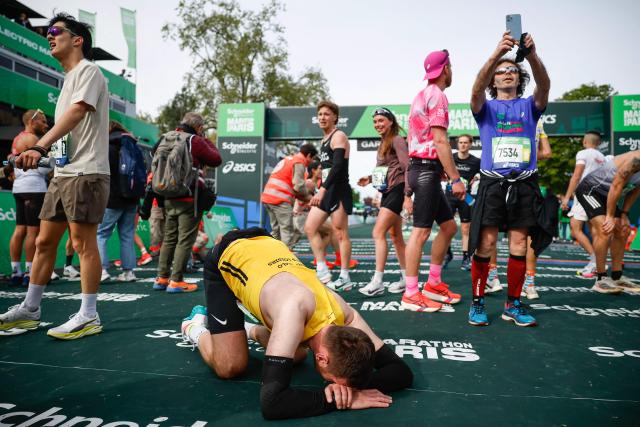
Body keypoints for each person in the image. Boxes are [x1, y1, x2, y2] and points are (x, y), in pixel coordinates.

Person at [181, 228, 413, 420]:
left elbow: (401, 373)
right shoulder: (294, 309)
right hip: (229, 255)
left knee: (298, 355)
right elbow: (272, 403)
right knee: (230, 366)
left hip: (269, 249)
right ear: (322, 359)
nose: (338, 388)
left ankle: (249, 330)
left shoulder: (344, 315)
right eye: (333, 381)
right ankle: (194, 326)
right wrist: (342, 400)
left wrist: (353, 389)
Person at [0, 14, 110, 339]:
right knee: (44, 241)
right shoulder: (66, 83)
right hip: (64, 176)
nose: (49, 36)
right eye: (47, 32)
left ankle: (89, 315)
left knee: (81, 243)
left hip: (87, 173)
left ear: (77, 40)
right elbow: (67, 130)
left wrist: (40, 146)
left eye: (55, 31)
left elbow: (78, 113)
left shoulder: (89, 71)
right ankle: (30, 310)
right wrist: (48, 159)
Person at [467, 31, 552, 327]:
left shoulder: (530, 105)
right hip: (492, 183)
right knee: (486, 244)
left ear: (519, 78)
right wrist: (495, 55)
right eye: (501, 72)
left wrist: (531, 55)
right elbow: (475, 90)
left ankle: (513, 304)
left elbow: (545, 85)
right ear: (493, 79)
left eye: (512, 70)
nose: (506, 74)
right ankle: (477, 303)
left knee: (518, 244)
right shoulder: (485, 109)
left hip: (524, 183)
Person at [401, 50, 465, 312]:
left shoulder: (419, 96)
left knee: (449, 227)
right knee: (421, 233)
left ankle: (433, 283)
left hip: (423, 170)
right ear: (446, 69)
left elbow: (412, 141)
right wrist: (456, 178)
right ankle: (411, 293)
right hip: (426, 171)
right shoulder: (438, 96)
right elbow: (440, 141)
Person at [152, 112, 221, 293]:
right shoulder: (194, 141)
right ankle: (176, 281)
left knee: (169, 238)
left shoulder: (166, 137)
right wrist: (204, 139)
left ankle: (161, 278)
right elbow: (216, 159)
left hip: (167, 193)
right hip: (190, 196)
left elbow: (154, 154)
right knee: (185, 240)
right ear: (198, 128)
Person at [357, 108, 408, 296]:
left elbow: (406, 167)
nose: (378, 124)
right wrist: (370, 178)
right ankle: (406, 279)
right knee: (396, 237)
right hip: (388, 190)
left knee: (378, 232)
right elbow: (387, 169)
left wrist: (409, 195)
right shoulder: (383, 143)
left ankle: (377, 281)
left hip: (398, 190)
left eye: (381, 120)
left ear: (391, 122)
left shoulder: (397, 140)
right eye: (375, 121)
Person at [574, 151, 640, 294]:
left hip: (607, 195)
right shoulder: (635, 160)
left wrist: (624, 214)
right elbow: (616, 185)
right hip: (590, 191)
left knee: (623, 230)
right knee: (605, 229)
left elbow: (635, 190)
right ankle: (600, 279)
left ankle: (617, 277)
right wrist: (610, 216)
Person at [305, 101, 354, 291]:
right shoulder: (323, 140)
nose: (322, 118)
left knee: (340, 233)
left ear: (335, 117)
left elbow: (338, 167)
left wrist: (322, 189)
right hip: (326, 189)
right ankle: (323, 270)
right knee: (310, 227)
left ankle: (345, 277)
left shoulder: (338, 136)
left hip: (338, 190)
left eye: (326, 114)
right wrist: (322, 188)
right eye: (320, 115)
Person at [9, 109, 51, 287]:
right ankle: (29, 273)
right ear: (32, 122)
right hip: (34, 188)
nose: (46, 125)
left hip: (19, 188)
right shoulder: (33, 140)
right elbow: (41, 167)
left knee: (20, 230)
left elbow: (12, 162)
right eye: (42, 121)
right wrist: (53, 164)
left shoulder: (17, 138)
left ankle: (16, 272)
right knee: (33, 233)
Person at [98, 121, 143, 283]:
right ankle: (129, 272)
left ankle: (102, 270)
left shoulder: (107, 146)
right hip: (132, 198)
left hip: (112, 197)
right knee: (127, 235)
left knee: (101, 234)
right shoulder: (132, 145)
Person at [561, 131, 606, 278]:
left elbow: (576, 176)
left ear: (585, 142)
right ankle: (598, 263)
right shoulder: (603, 158)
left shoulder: (583, 154)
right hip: (599, 194)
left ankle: (595, 261)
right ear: (598, 143)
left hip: (584, 192)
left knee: (575, 229)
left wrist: (567, 197)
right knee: (595, 230)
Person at [261, 144, 318, 248]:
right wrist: (311, 199)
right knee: (287, 231)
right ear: (309, 155)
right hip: (279, 200)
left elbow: (295, 189)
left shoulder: (288, 159)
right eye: (313, 159)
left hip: (268, 198)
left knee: (276, 231)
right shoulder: (299, 162)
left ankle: (271, 256)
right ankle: (285, 260)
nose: (311, 162)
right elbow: (299, 187)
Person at [521, 120, 553, 299]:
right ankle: (530, 283)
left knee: (492, 233)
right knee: (527, 236)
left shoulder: (509, 115)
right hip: (528, 182)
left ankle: (492, 278)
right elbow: (547, 152)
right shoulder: (537, 122)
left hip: (503, 180)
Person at [444, 134, 480, 271]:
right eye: (461, 142)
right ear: (457, 144)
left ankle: (466, 258)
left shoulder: (476, 161)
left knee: (466, 229)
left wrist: (477, 176)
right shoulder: (450, 158)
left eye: (466, 143)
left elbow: (485, 171)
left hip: (466, 198)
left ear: (470, 144)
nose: (463, 145)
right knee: (446, 227)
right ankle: (447, 254)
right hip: (449, 196)